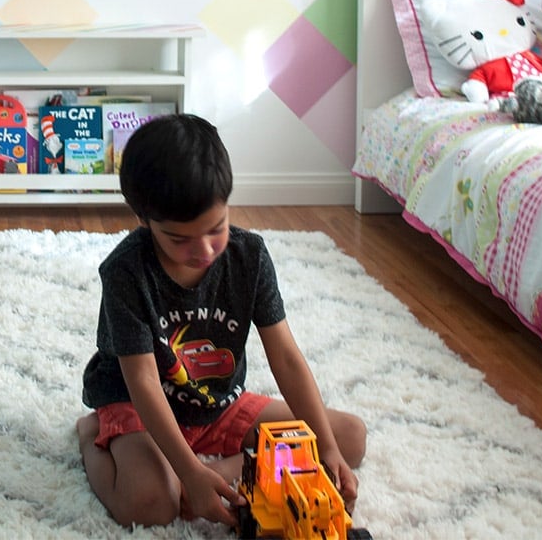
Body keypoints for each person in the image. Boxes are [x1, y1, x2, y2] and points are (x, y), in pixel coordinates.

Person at [76, 113, 367, 529]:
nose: (204, 250)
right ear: (144, 219)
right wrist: (190, 474)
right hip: (140, 406)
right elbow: (141, 382)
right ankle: (92, 437)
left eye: (217, 228)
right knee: (153, 503)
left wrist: (328, 450)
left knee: (347, 439)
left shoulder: (249, 256)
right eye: (180, 239)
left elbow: (285, 357)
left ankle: (219, 473)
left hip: (216, 403)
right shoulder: (126, 272)